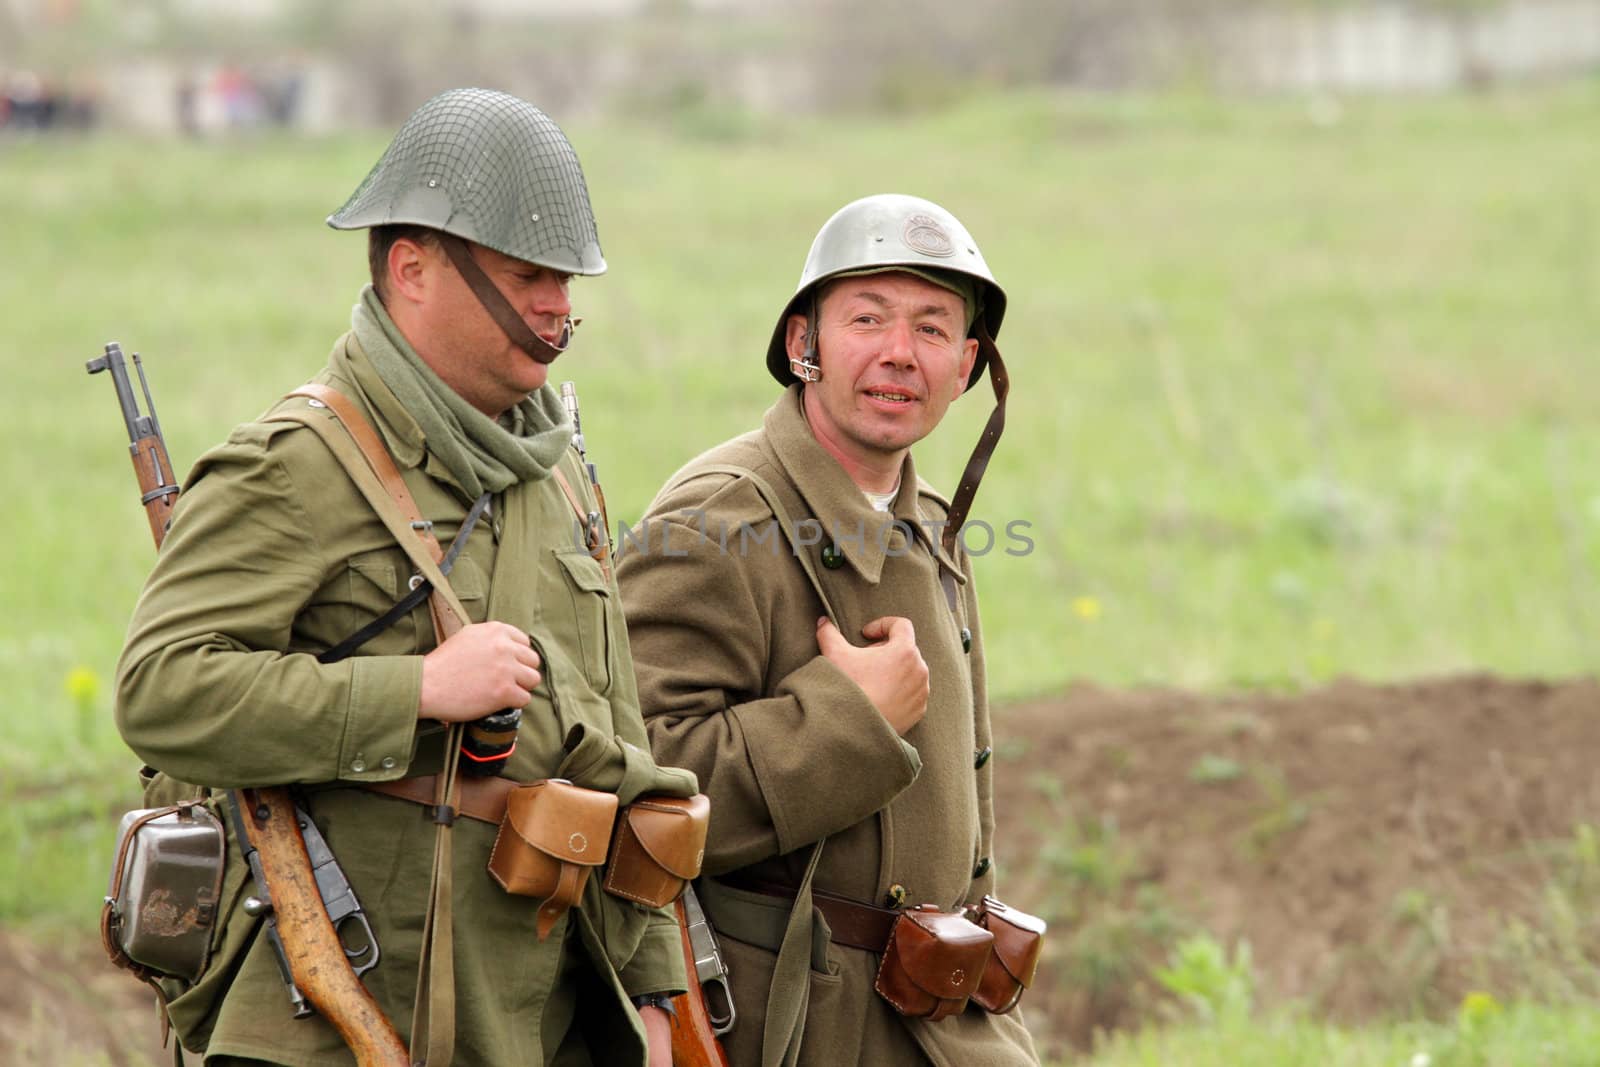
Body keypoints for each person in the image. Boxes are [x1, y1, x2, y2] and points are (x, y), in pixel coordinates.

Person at [115, 88, 694, 1067]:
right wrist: (417, 691)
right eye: (526, 274)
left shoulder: (552, 472)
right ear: (413, 268)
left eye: (565, 279)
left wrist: (653, 987)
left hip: (536, 1014)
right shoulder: (297, 464)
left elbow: (615, 744)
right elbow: (160, 688)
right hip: (331, 1012)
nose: (557, 306)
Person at [616, 194, 1040, 1065]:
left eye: (931, 328)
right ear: (803, 344)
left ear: (966, 365)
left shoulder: (930, 526)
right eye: (868, 318)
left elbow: (973, 808)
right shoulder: (714, 518)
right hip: (787, 1025)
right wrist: (849, 717)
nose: (898, 352)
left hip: (938, 1020)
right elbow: (638, 783)